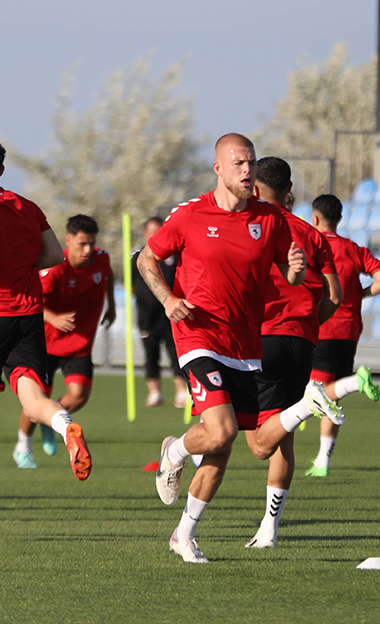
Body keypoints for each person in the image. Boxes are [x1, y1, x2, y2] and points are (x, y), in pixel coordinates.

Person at [138, 133, 331, 563]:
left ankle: (183, 535)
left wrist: (296, 270)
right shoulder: (190, 215)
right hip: (198, 336)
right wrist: (168, 299)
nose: (247, 170)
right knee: (222, 431)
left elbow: (291, 277)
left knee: (222, 448)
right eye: (239, 163)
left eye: (251, 162)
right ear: (218, 169)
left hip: (245, 347)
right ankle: (175, 451)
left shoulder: (271, 219)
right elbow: (145, 259)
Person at [0, 138, 92, 520]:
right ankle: (66, 427)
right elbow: (55, 255)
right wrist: (21, 265)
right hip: (28, 316)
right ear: (1, 169)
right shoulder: (27, 206)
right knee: (32, 400)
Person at [242, 157, 343, 549]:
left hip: (262, 338)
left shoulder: (253, 227)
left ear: (255, 189)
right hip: (303, 341)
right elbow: (335, 296)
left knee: (258, 444)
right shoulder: (312, 235)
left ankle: (307, 405)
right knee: (283, 439)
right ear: (290, 190)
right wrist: (310, 323)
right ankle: (268, 531)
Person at [14, 214, 115, 468]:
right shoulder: (55, 269)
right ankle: (22, 447)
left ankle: (53, 420)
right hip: (45, 345)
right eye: (82, 244)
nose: (88, 250)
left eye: (92, 243)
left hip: (79, 344)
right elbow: (30, 301)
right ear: (68, 241)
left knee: (79, 395)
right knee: (36, 401)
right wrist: (53, 317)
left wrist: (112, 305)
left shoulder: (101, 259)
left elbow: (108, 274)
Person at [305, 194, 380, 477]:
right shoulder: (353, 248)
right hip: (350, 328)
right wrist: (358, 295)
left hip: (322, 326)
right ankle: (323, 461)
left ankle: (357, 381)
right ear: (339, 219)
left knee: (313, 394)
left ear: (314, 218)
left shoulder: (312, 245)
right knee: (332, 397)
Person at [131, 217, 186, 408]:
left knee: (176, 355)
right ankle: (155, 393)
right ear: (146, 233)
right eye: (152, 231)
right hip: (148, 318)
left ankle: (182, 393)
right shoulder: (138, 258)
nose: (156, 235)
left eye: (159, 230)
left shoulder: (176, 257)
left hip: (173, 316)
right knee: (151, 356)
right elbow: (131, 285)